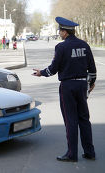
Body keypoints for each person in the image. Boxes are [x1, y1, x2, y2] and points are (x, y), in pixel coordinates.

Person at [32, 17, 97, 162]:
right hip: (82, 85)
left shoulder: (61, 47)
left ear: (65, 32)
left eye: (60, 31)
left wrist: (41, 73)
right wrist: (91, 83)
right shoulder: (84, 45)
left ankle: (71, 154)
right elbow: (92, 68)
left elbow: (54, 69)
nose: (59, 33)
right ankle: (90, 152)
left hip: (68, 87)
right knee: (84, 119)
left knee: (70, 120)